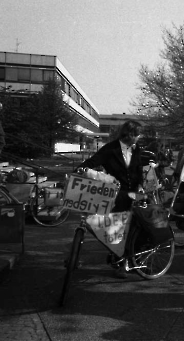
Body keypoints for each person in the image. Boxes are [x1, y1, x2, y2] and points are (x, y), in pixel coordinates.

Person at [76, 120, 144, 279]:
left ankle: (129, 260)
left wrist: (140, 184)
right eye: (138, 135)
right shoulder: (111, 149)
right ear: (131, 134)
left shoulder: (136, 149)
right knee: (117, 228)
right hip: (117, 194)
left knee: (133, 228)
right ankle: (121, 262)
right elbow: (94, 161)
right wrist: (80, 168)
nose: (139, 138)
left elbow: (139, 169)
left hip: (133, 194)